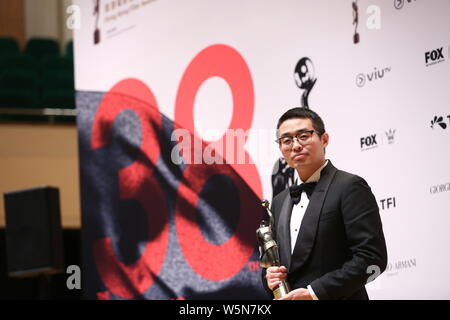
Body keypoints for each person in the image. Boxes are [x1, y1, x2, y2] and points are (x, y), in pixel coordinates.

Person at [262, 107, 387, 300]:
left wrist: (315, 293)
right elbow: (278, 265)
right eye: (286, 140)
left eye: (303, 136)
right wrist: (270, 278)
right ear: (280, 148)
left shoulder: (349, 186)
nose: (295, 145)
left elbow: (372, 259)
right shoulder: (279, 201)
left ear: (324, 139)